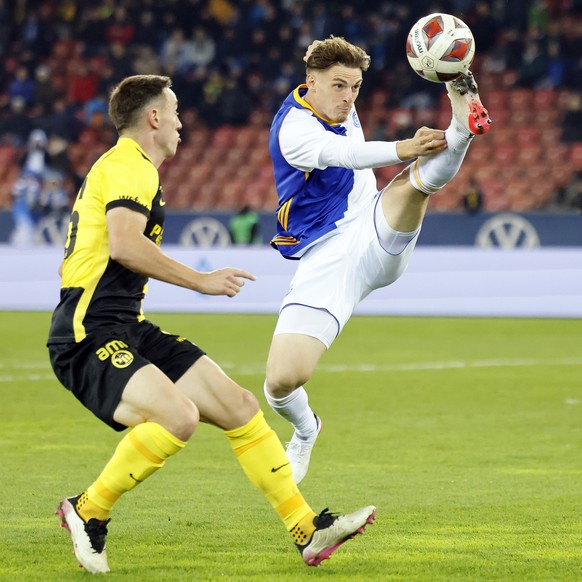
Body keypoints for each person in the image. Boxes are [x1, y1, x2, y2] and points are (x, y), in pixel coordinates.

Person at [47, 75, 375, 574]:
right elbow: (125, 246)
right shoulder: (128, 165)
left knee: (240, 406)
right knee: (177, 417)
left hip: (124, 323)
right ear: (153, 118)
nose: (181, 122)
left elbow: (99, 249)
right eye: (175, 111)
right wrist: (201, 282)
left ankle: (306, 530)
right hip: (87, 331)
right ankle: (87, 509)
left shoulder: (128, 169)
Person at [263, 36, 491, 484]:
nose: (348, 98)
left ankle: (461, 115)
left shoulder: (339, 103)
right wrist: (403, 146)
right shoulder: (294, 129)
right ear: (310, 82)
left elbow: (359, 146)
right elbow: (344, 155)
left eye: (356, 87)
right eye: (338, 86)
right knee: (283, 380)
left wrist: (413, 149)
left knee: (414, 186)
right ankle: (307, 430)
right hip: (325, 256)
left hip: (372, 226)